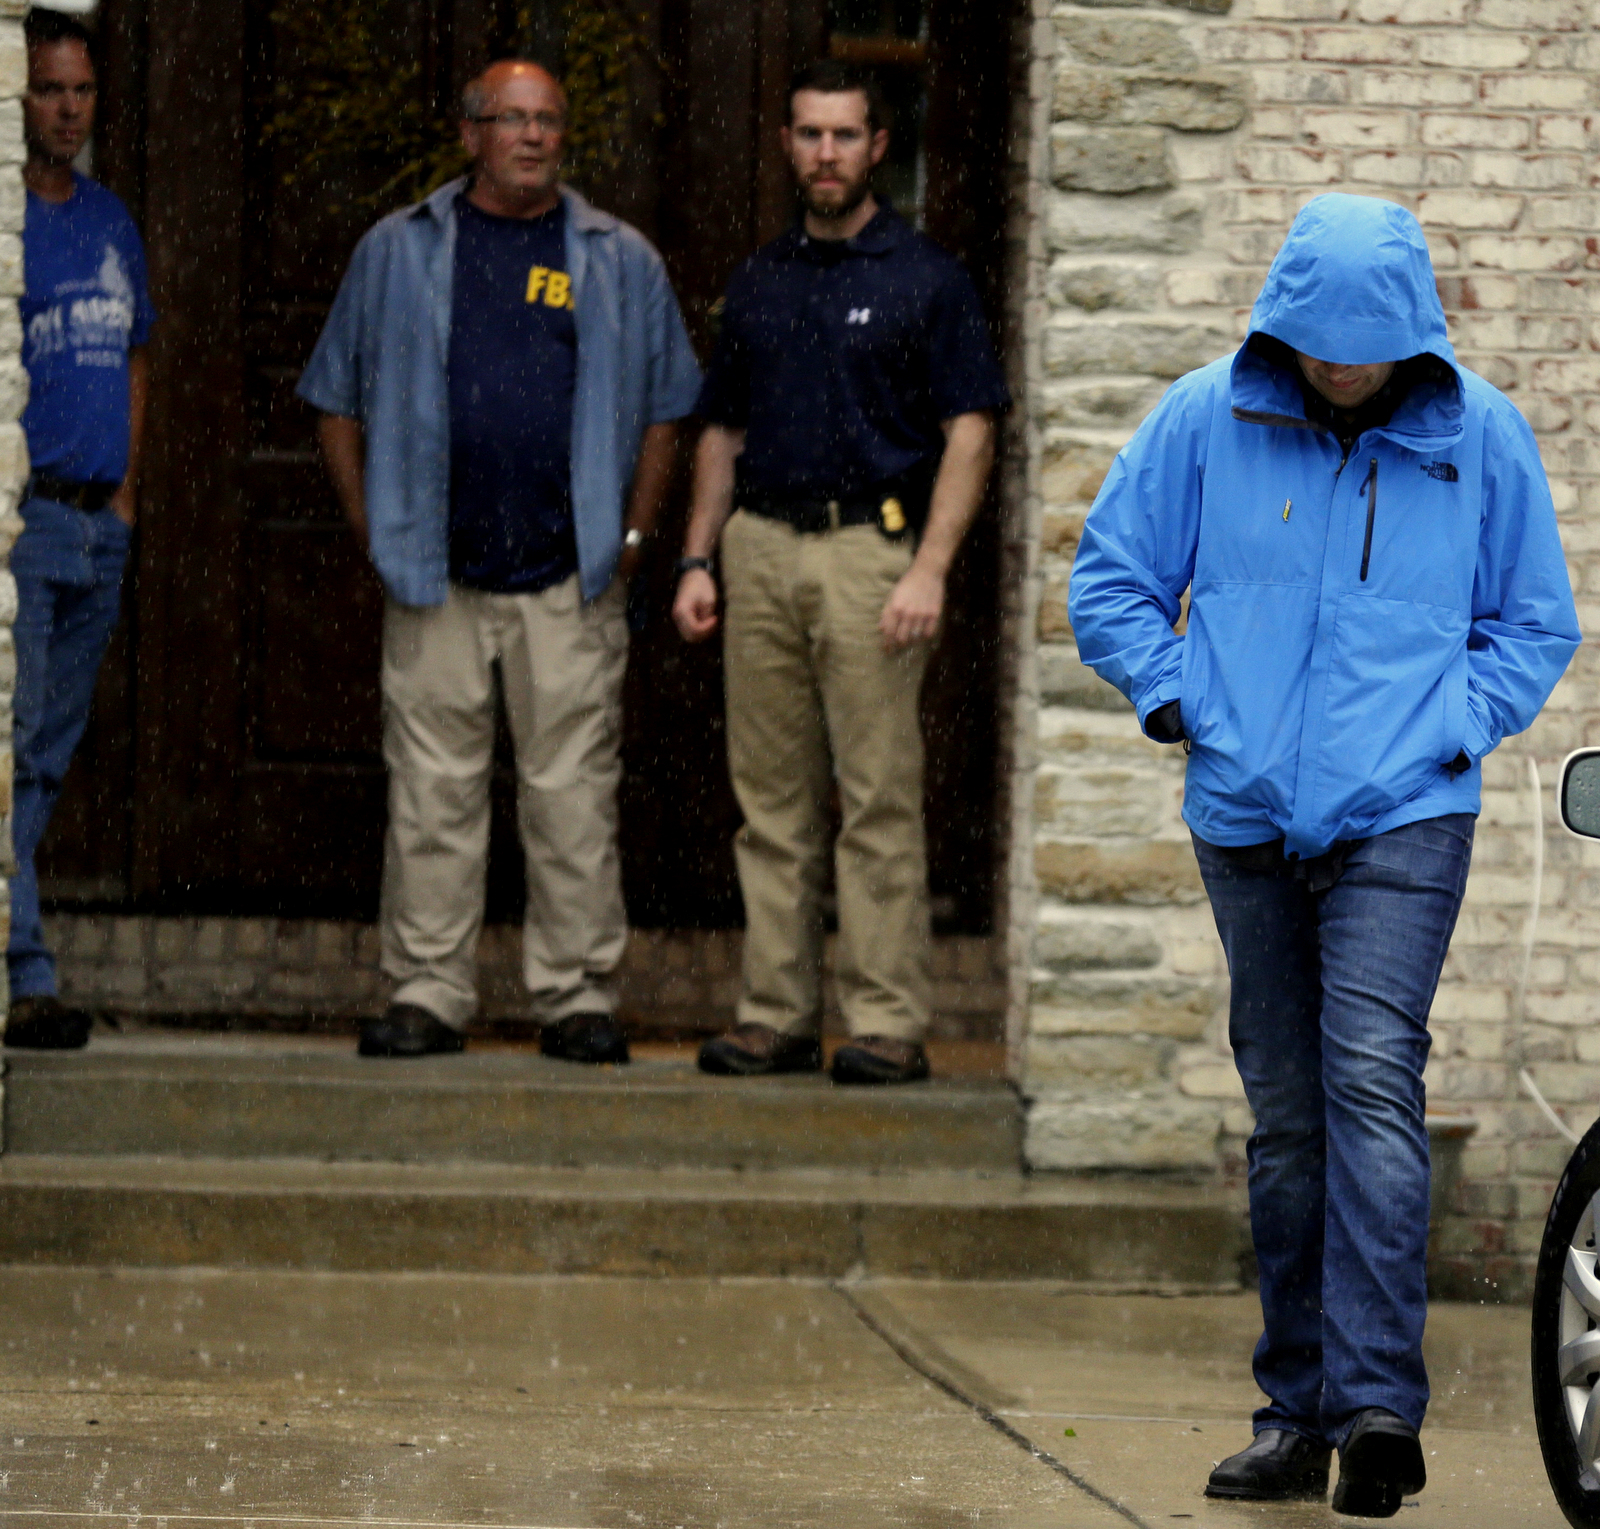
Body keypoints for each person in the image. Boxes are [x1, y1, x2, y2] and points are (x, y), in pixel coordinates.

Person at [1069, 194, 1580, 1518]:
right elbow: (1111, 577)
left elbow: (1533, 624)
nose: (1339, 365)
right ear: (1282, 322)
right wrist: (1177, 699)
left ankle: (1377, 1410)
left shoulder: (1482, 438)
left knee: (1369, 1082)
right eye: (1317, 341)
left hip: (1406, 816)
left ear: (1414, 332)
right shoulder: (1206, 417)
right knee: (1289, 1127)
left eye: (1365, 343)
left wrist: (1450, 729)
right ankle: (1293, 1414)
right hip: (1245, 820)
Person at [299, 60, 701, 1062]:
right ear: (469, 132)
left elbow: (665, 410)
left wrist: (636, 540)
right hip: (435, 578)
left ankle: (575, 995)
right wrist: (375, 528)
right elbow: (334, 400)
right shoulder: (396, 252)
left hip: (570, 580)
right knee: (431, 795)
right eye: (510, 119)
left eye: (548, 121)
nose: (531, 136)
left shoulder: (619, 259)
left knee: (572, 798)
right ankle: (428, 991)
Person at [672, 60, 1008, 1086]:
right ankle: (771, 1014)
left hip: (874, 553)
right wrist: (697, 553)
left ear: (876, 148)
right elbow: (722, 430)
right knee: (768, 803)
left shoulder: (927, 279)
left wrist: (930, 569)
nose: (826, 153)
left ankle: (885, 1022)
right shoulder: (760, 280)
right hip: (759, 548)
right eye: (809, 135)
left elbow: (971, 430)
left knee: (875, 799)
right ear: (787, 145)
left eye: (844, 136)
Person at [7, 8, 155, 1050]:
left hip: (96, 522)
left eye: (81, 91)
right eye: (50, 89)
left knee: (49, 752)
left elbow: (138, 352)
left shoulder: (109, 220)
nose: (68, 108)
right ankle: (23, 967)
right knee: (12, 750)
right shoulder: (7, 218)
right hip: (29, 520)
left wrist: (129, 493)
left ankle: (21, 956)